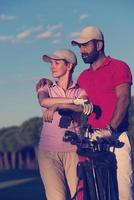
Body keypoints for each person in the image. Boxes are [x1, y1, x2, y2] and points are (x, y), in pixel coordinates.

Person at [71, 26, 133, 200]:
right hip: (92, 141)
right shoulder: (83, 77)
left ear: (99, 45)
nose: (82, 51)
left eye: (85, 45)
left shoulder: (119, 67)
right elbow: (76, 103)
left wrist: (109, 129)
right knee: (94, 193)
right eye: (80, 47)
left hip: (116, 137)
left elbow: (124, 99)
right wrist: (49, 86)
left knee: (124, 192)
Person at [36, 49, 93, 200]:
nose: (52, 66)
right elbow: (43, 101)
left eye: (56, 62)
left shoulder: (80, 92)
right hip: (48, 153)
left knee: (78, 196)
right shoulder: (46, 87)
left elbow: (82, 108)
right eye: (51, 63)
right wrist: (71, 101)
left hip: (73, 151)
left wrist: (59, 106)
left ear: (69, 66)